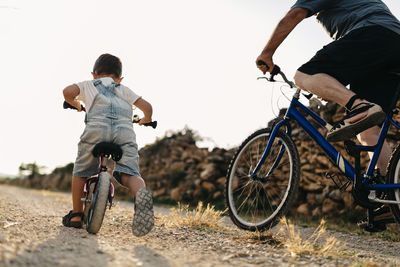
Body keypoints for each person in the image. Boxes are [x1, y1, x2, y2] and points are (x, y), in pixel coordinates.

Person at [256, 0, 400, 231]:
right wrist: (328, 85)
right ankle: (388, 199)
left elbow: (293, 16)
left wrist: (267, 53)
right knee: (369, 131)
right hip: (392, 45)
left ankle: (358, 105)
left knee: (304, 76)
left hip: (372, 34)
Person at [62, 53, 154, 237]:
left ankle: (77, 215)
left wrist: (77, 104)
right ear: (119, 78)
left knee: (81, 170)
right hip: (124, 133)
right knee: (130, 173)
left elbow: (67, 92)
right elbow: (147, 107)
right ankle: (141, 197)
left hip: (96, 131)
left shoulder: (89, 85)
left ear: (94, 74)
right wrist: (146, 119)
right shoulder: (124, 89)